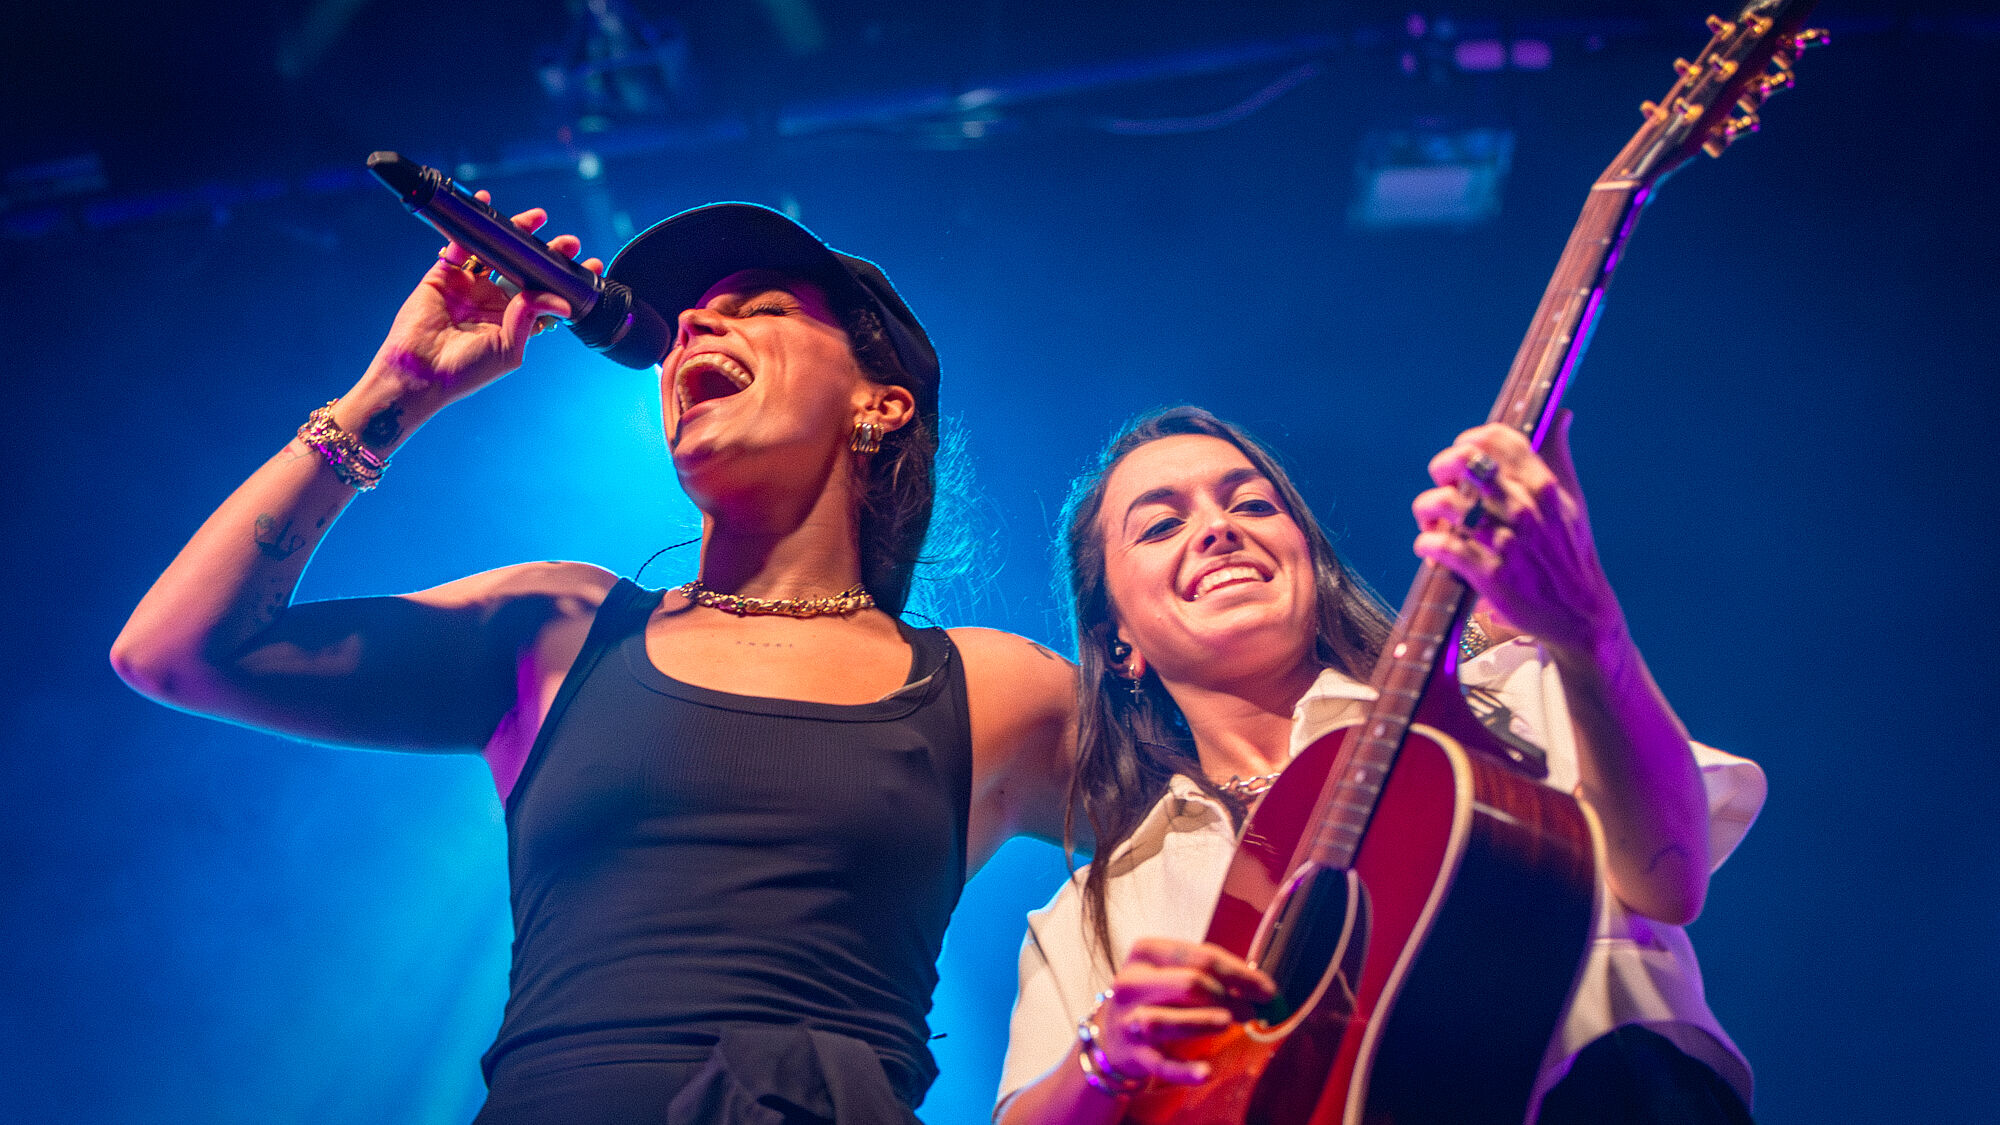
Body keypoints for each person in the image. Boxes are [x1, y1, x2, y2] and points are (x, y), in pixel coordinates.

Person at [110, 198, 1078, 1123]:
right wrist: (390, 394)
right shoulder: (562, 626)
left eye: (763, 310)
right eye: (691, 316)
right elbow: (179, 650)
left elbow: (1226, 827)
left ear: (882, 403)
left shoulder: (986, 687)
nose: (696, 326)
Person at [994, 406, 1765, 1124]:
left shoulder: (1509, 694)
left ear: (1310, 559)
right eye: (1162, 524)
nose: (1218, 528)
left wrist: (1589, 633)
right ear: (1116, 638)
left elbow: (1672, 877)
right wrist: (1102, 1058)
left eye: (1254, 504)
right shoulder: (1096, 910)